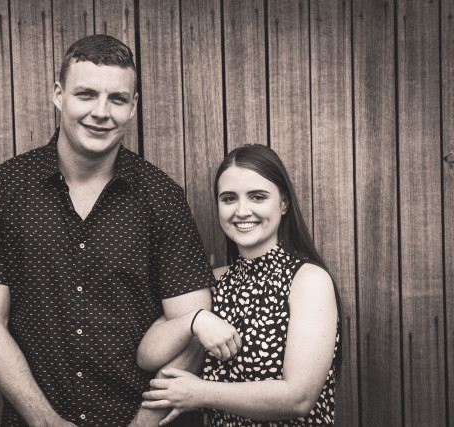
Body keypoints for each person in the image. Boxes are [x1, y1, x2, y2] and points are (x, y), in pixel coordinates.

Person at [0, 34, 217, 426]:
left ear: (133, 106)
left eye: (117, 99)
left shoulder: (162, 197)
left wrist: (140, 425)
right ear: (59, 95)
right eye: (86, 94)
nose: (101, 112)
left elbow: (193, 326)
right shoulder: (1, 191)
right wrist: (47, 423)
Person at [137, 144, 342, 426]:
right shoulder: (215, 281)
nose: (242, 211)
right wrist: (195, 320)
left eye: (257, 197)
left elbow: (299, 397)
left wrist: (201, 393)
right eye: (229, 198)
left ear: (283, 203)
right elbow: (146, 356)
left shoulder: (308, 280)